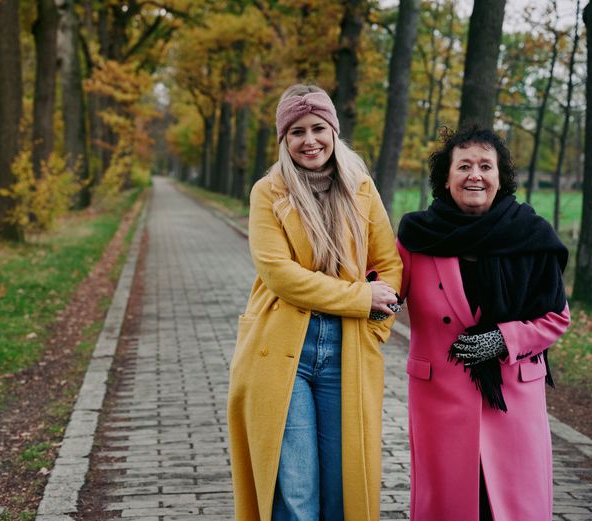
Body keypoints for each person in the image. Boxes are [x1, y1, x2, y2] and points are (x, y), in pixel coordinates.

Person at [227, 84, 403, 521]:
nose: (310, 140)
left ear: (334, 131)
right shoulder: (268, 193)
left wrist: (376, 329)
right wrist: (360, 298)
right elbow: (281, 276)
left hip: (348, 348)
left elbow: (390, 265)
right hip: (284, 347)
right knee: (296, 485)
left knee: (345, 480)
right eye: (297, 131)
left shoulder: (361, 187)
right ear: (284, 141)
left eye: (319, 128)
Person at [396, 126, 571, 521]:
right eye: (464, 166)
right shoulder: (416, 236)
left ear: (499, 178)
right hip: (440, 400)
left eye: (485, 166)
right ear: (446, 178)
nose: (475, 175)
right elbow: (387, 288)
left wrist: (503, 339)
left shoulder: (531, 235)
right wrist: (374, 300)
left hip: (512, 396)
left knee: (510, 507)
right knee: (452, 506)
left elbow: (556, 317)